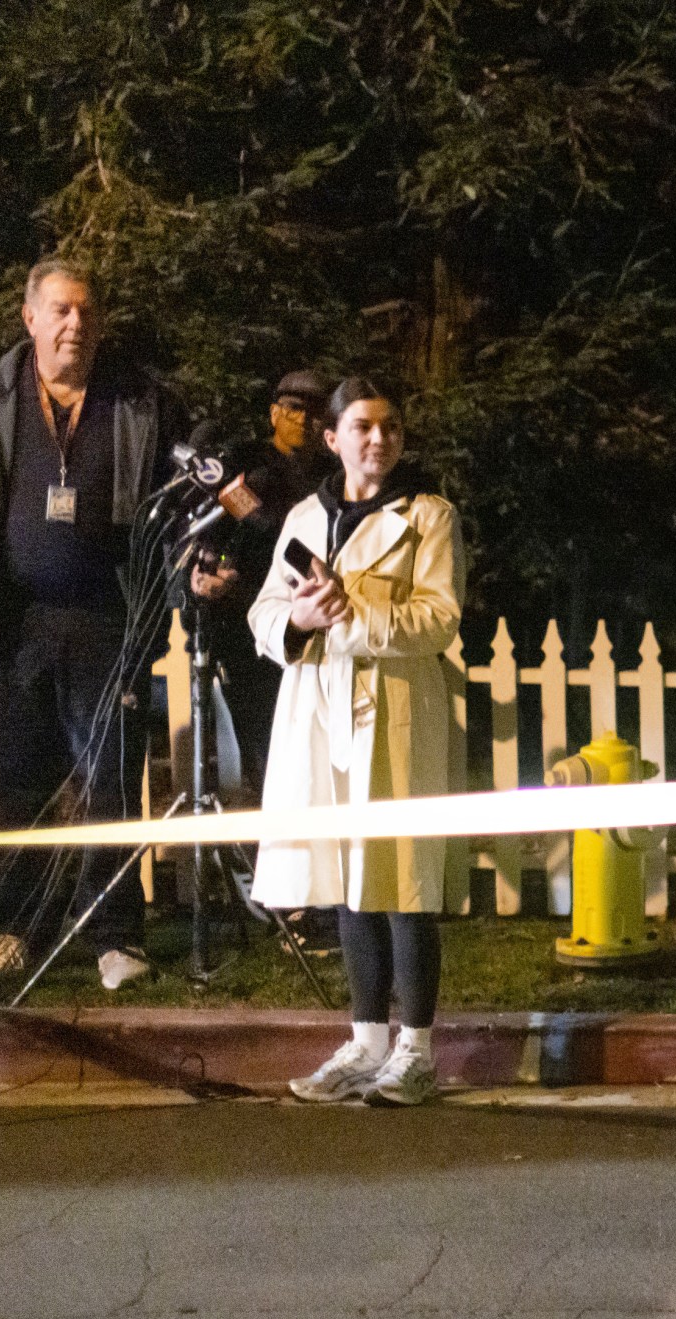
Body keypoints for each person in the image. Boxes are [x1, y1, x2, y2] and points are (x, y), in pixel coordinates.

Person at [0, 257, 186, 988]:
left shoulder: (139, 401)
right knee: (14, 782)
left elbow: (173, 506)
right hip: (9, 620)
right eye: (60, 310)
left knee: (112, 781)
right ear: (29, 318)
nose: (75, 324)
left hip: (105, 616)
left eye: (86, 312)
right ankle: (15, 930)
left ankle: (116, 937)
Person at [250, 378, 464, 1107]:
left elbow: (438, 619)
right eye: (364, 427)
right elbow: (265, 611)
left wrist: (352, 611)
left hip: (395, 702)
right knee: (348, 875)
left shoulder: (427, 516)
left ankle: (418, 1048)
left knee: (402, 875)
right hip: (319, 702)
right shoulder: (306, 516)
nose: (379, 439)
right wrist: (301, 620)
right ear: (333, 437)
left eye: (392, 427)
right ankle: (367, 1037)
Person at [187, 370, 336, 782]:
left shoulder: (335, 478)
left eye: (314, 412)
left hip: (318, 627)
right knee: (265, 752)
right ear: (274, 414)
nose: (303, 421)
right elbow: (220, 520)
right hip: (251, 626)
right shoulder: (245, 462)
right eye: (293, 410)